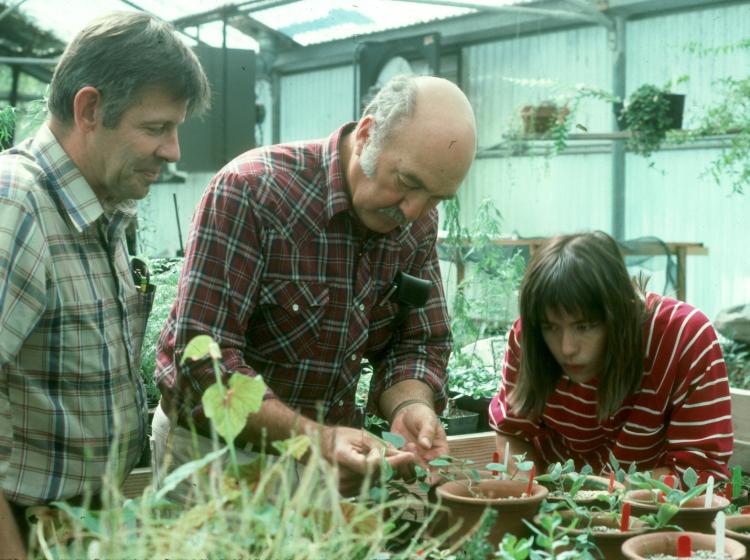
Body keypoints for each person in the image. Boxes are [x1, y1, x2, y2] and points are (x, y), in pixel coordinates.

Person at [153, 74, 477, 496]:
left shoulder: (414, 221)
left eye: (436, 198)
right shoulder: (253, 192)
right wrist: (316, 441)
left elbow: (419, 341)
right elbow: (203, 364)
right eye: (408, 182)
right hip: (217, 456)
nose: (415, 210)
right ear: (366, 135)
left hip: (330, 459)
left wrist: (410, 406)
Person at [0, 12, 210, 556]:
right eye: (156, 127)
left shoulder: (98, 208)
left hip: (80, 528)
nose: (173, 150)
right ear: (90, 109)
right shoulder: (16, 204)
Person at [489, 231, 733, 483]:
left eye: (584, 327)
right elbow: (513, 431)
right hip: (556, 504)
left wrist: (603, 496)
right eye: (551, 327)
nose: (567, 348)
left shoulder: (683, 338)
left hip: (652, 512)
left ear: (620, 314)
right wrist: (528, 496)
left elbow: (700, 469)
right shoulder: (530, 338)